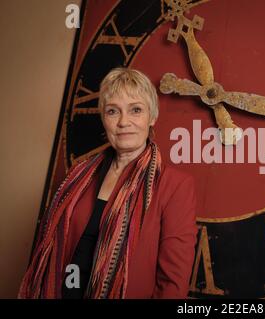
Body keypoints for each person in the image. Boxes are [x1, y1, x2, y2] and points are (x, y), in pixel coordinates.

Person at [18, 68, 198, 299]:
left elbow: (173, 282)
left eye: (136, 110)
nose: (124, 122)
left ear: (152, 117)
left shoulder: (175, 185)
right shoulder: (79, 175)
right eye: (113, 111)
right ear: (104, 118)